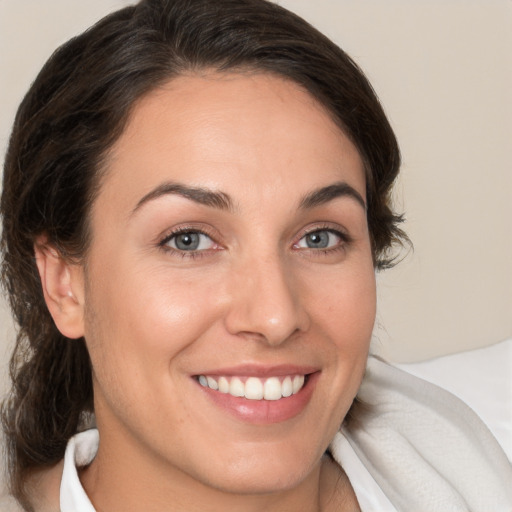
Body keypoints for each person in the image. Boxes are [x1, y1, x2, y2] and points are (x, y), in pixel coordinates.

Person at [1, 0, 511, 511]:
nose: (275, 316)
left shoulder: (446, 455)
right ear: (65, 282)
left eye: (319, 237)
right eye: (189, 240)